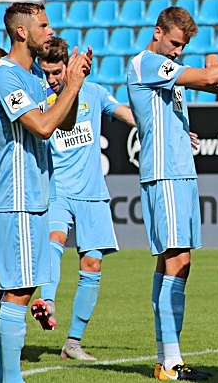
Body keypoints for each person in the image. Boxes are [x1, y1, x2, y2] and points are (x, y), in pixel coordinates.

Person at [0, 2, 91, 383]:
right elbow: (43, 126)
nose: (50, 31)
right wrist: (73, 84)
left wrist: (71, 86)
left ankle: (3, 377)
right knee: (19, 290)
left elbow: (67, 121)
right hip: (18, 197)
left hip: (37, 196)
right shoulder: (4, 76)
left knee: (24, 288)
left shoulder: (31, 76)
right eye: (43, 25)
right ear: (21, 32)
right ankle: (9, 378)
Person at [127, 6, 218, 380]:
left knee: (174, 260)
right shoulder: (148, 63)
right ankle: (170, 361)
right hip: (165, 175)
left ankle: (167, 358)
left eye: (182, 46)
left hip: (180, 172)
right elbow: (207, 78)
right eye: (175, 43)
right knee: (178, 260)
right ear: (158, 32)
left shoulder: (166, 69)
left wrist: (182, 135)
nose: (177, 51)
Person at [35, 37, 135, 361]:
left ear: (68, 66)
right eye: (45, 73)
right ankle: (47, 303)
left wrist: (160, 127)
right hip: (58, 189)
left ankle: (72, 344)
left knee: (92, 265)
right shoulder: (40, 99)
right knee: (54, 238)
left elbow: (125, 113)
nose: (50, 79)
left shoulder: (93, 92)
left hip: (92, 192)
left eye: (55, 73)